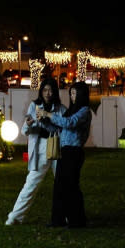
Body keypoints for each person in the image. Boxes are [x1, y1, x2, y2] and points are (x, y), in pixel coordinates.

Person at [5, 78, 65, 225]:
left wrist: (49, 120)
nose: (48, 93)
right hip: (41, 149)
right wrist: (28, 124)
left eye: (50, 90)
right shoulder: (34, 106)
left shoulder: (60, 108)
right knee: (31, 184)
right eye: (45, 90)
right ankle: (15, 216)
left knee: (63, 184)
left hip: (57, 147)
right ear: (41, 91)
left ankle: (67, 216)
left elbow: (64, 128)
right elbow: (25, 130)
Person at [38, 81, 92, 228]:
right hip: (65, 151)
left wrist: (49, 114)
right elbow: (59, 127)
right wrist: (43, 121)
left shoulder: (84, 111)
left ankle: (77, 220)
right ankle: (58, 219)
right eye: (71, 94)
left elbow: (69, 123)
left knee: (71, 187)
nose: (72, 97)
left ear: (81, 95)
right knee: (60, 187)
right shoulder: (72, 110)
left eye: (75, 94)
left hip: (74, 152)